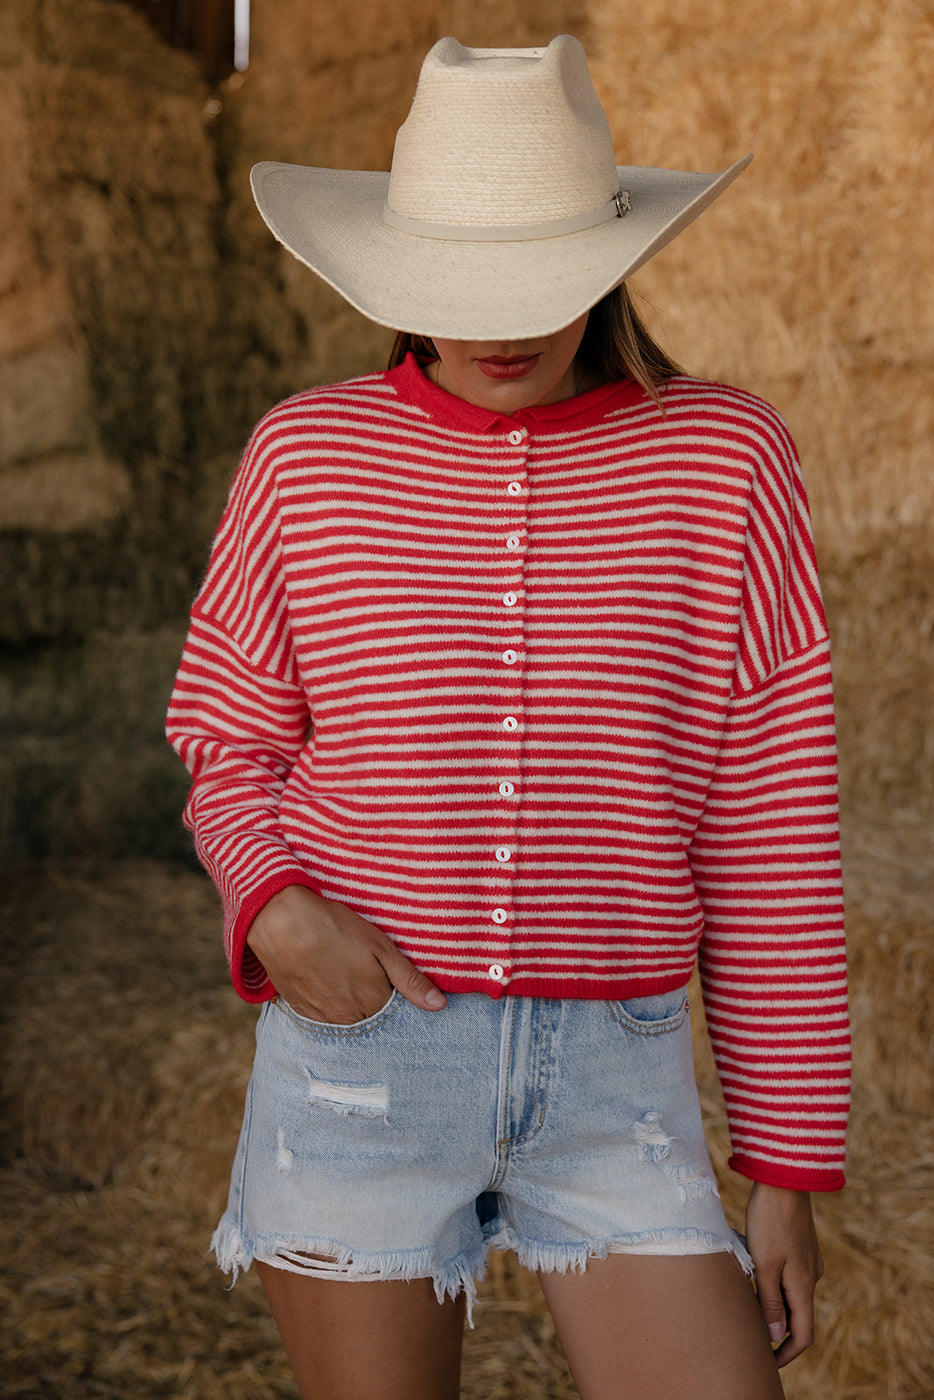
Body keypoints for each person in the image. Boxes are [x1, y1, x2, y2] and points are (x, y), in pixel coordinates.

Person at [166, 36, 850, 1400]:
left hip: (619, 1091)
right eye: (456, 286)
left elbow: (769, 825)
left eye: (542, 281)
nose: (500, 327)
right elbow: (226, 741)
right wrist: (277, 911)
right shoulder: (305, 455)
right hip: (360, 1066)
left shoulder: (726, 458)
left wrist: (784, 1166)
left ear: (609, 263)